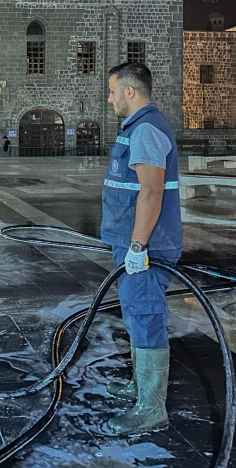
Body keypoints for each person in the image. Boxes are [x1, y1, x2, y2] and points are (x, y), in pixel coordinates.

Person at [100, 62, 181, 436]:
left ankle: (151, 408)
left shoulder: (146, 129)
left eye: (113, 91)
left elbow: (151, 191)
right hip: (132, 243)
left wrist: (138, 246)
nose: (111, 98)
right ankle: (140, 386)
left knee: (146, 317)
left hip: (146, 247)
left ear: (129, 92)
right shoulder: (137, 127)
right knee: (135, 315)